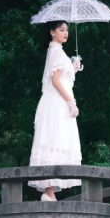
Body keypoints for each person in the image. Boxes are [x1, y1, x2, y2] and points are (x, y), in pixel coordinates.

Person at [28, 21, 82, 200]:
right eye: (61, 30)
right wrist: (70, 101)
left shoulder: (57, 50)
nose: (66, 33)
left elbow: (63, 77)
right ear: (52, 32)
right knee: (54, 138)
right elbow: (56, 81)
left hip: (58, 100)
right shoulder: (56, 50)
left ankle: (49, 192)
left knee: (56, 139)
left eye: (67, 30)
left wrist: (73, 68)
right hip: (57, 101)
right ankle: (48, 191)